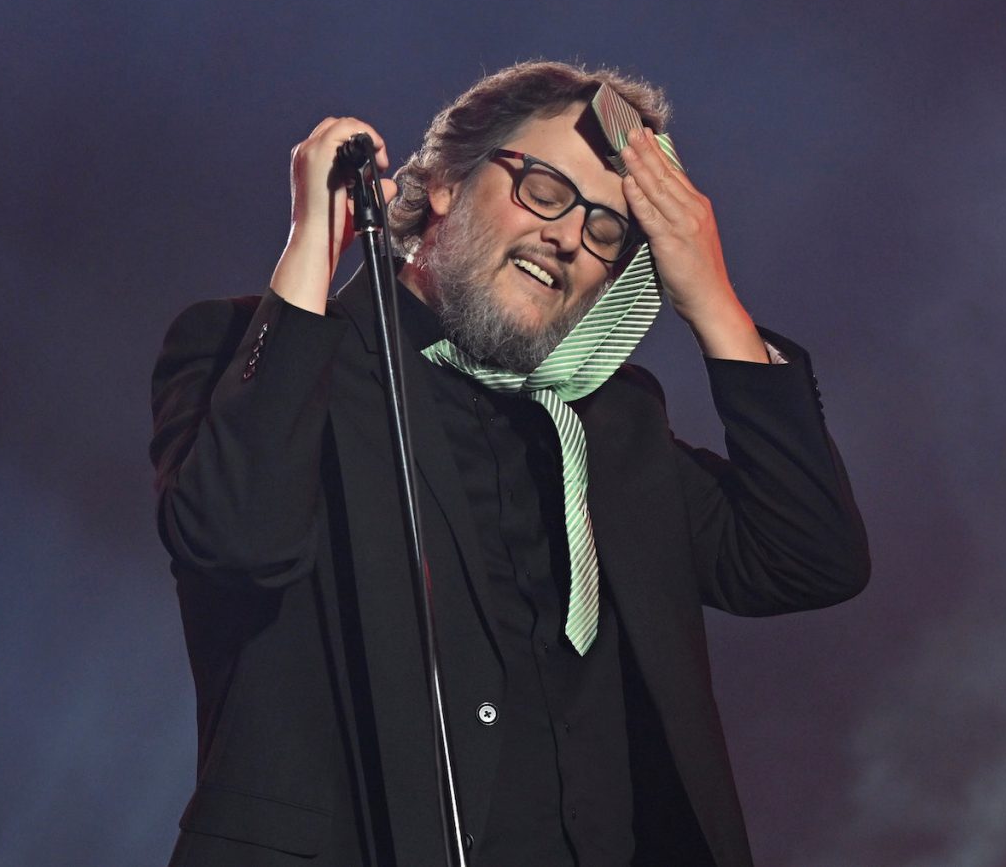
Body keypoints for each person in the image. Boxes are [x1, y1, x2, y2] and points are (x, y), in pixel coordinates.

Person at [149, 60, 870, 867]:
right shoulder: (259, 357)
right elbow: (237, 539)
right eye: (547, 190)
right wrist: (311, 249)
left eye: (607, 230)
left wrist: (712, 300)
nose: (568, 236)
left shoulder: (610, 424)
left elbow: (811, 559)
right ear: (449, 182)